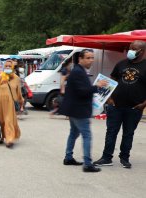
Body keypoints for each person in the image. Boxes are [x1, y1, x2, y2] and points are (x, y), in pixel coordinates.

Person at [93, 40, 146, 169]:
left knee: (128, 133)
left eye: (134, 49)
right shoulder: (121, 64)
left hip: (134, 108)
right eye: (130, 48)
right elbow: (110, 81)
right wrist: (108, 98)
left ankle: (124, 158)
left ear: (142, 51)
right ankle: (106, 157)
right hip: (115, 106)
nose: (130, 51)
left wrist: (144, 104)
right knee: (111, 132)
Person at [59, 49, 108, 173]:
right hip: (79, 110)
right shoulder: (78, 72)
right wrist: (98, 86)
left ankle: (68, 157)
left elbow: (81, 90)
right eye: (88, 58)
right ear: (80, 59)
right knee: (86, 135)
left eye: (92, 57)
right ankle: (87, 164)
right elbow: (83, 91)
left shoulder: (78, 71)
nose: (91, 60)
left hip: (74, 109)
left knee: (74, 133)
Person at [0, 60, 24, 148]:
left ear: (13, 67)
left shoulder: (16, 78)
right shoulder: (0, 77)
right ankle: (1, 136)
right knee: (0, 120)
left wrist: (21, 101)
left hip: (10, 102)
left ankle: (9, 139)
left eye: (9, 66)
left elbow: (18, 92)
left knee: (8, 120)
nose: (8, 68)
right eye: (6, 66)